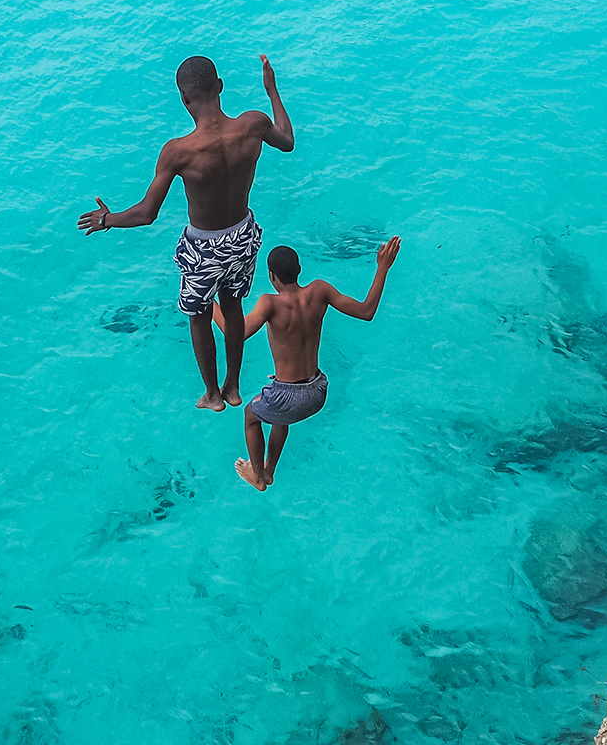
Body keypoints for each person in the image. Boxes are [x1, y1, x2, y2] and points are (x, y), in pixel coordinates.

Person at [79, 55, 294, 410]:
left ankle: (212, 394)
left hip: (203, 249)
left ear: (184, 98)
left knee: (199, 315)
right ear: (220, 86)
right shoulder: (253, 124)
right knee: (233, 308)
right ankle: (233, 386)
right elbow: (287, 140)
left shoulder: (178, 152)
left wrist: (107, 220)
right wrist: (271, 91)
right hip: (243, 236)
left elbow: (147, 213)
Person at [221, 237, 400, 491]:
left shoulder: (269, 303)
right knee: (278, 410)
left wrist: (209, 304)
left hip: (288, 397)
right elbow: (366, 311)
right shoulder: (319, 290)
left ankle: (258, 476)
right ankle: (270, 470)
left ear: (272, 276)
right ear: (299, 270)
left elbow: (235, 334)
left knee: (250, 415)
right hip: (317, 392)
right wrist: (382, 267)